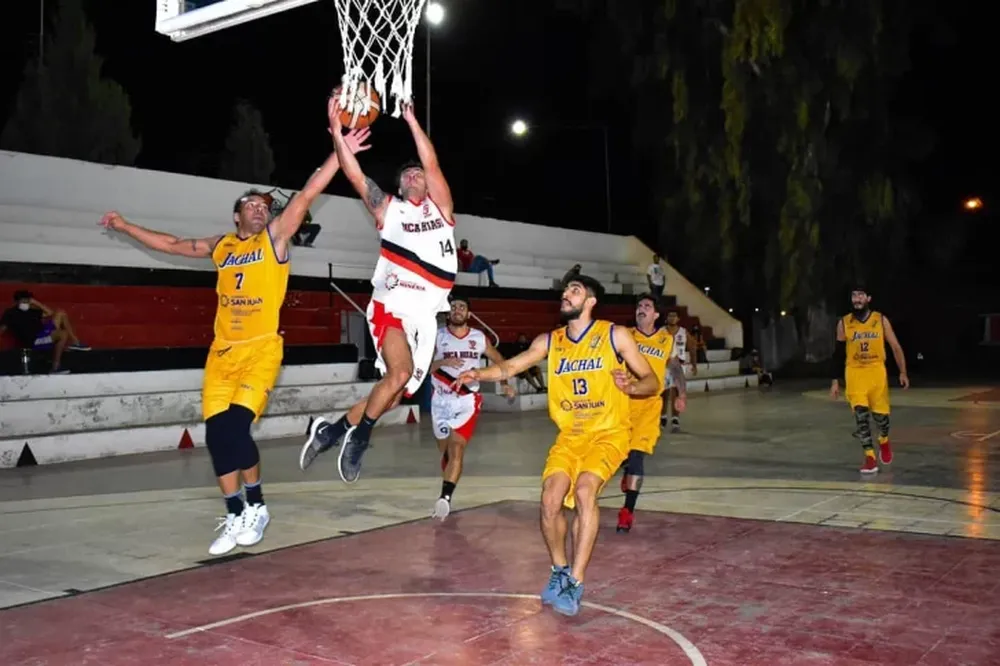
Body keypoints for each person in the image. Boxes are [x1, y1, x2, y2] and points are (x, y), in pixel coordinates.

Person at [99, 112, 372, 556]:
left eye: (265, 205)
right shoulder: (222, 246)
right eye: (252, 204)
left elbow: (307, 194)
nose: (261, 207)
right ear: (236, 214)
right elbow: (172, 245)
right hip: (221, 354)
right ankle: (233, 512)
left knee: (235, 429)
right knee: (216, 437)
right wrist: (125, 225)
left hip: (261, 350)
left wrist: (339, 152)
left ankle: (258, 506)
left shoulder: (276, 240)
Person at [452, 275, 660, 617]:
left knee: (584, 490)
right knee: (550, 499)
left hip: (608, 432)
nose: (566, 295)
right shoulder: (551, 341)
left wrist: (632, 387)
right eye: (565, 290)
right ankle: (559, 571)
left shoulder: (614, 335)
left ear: (590, 301)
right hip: (570, 435)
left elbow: (651, 379)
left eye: (574, 291)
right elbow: (513, 365)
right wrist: (479, 374)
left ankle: (575, 582)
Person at [298, 101, 457, 484]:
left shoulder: (443, 212)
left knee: (397, 391)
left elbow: (432, 163)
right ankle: (359, 436)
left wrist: (412, 120)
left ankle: (331, 430)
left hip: (425, 315)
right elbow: (356, 178)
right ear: (401, 185)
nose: (417, 177)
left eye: (420, 173)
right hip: (392, 306)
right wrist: (337, 134)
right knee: (399, 373)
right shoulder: (389, 210)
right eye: (410, 175)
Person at [429, 296, 514, 520]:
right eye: (453, 307)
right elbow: (421, 368)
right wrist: (442, 363)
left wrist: (505, 384)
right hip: (440, 400)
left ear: (468, 314)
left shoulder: (478, 337)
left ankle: (444, 498)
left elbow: (500, 361)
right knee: (447, 453)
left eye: (462, 307)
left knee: (457, 449)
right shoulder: (436, 336)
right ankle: (448, 483)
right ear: (448, 313)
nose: (457, 310)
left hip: (467, 401)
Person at [830, 285, 909, 474]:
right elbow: (838, 354)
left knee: (881, 418)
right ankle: (870, 457)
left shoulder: (880, 320)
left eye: (861, 295)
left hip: (876, 372)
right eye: (854, 295)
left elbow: (895, 346)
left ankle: (884, 440)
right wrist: (835, 380)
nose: (857, 299)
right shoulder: (844, 323)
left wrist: (903, 372)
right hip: (855, 372)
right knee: (861, 417)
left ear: (869, 298)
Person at [618, 294, 678, 533]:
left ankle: (627, 512)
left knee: (637, 456)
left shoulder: (666, 339)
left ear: (656, 314)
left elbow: (674, 367)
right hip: (622, 402)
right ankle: (625, 467)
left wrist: (681, 393)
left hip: (650, 405)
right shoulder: (625, 335)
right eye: (639, 306)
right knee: (621, 453)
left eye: (647, 306)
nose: (641, 309)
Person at [0, 290, 90, 373]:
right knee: (62, 334)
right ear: (17, 301)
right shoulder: (10, 313)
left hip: (42, 333)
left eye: (27, 301)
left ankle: (75, 342)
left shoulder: (32, 311)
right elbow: (3, 328)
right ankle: (55, 367)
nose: (25, 303)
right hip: (34, 340)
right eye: (23, 301)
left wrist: (36, 303)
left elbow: (50, 313)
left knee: (60, 313)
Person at [663, 309, 695, 432]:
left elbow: (692, 347)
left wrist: (694, 363)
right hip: (665, 365)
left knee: (677, 393)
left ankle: (675, 419)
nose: (672, 318)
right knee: (663, 393)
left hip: (679, 366)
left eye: (674, 316)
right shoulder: (661, 331)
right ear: (666, 318)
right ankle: (663, 417)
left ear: (678, 319)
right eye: (669, 315)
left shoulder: (683, 332)